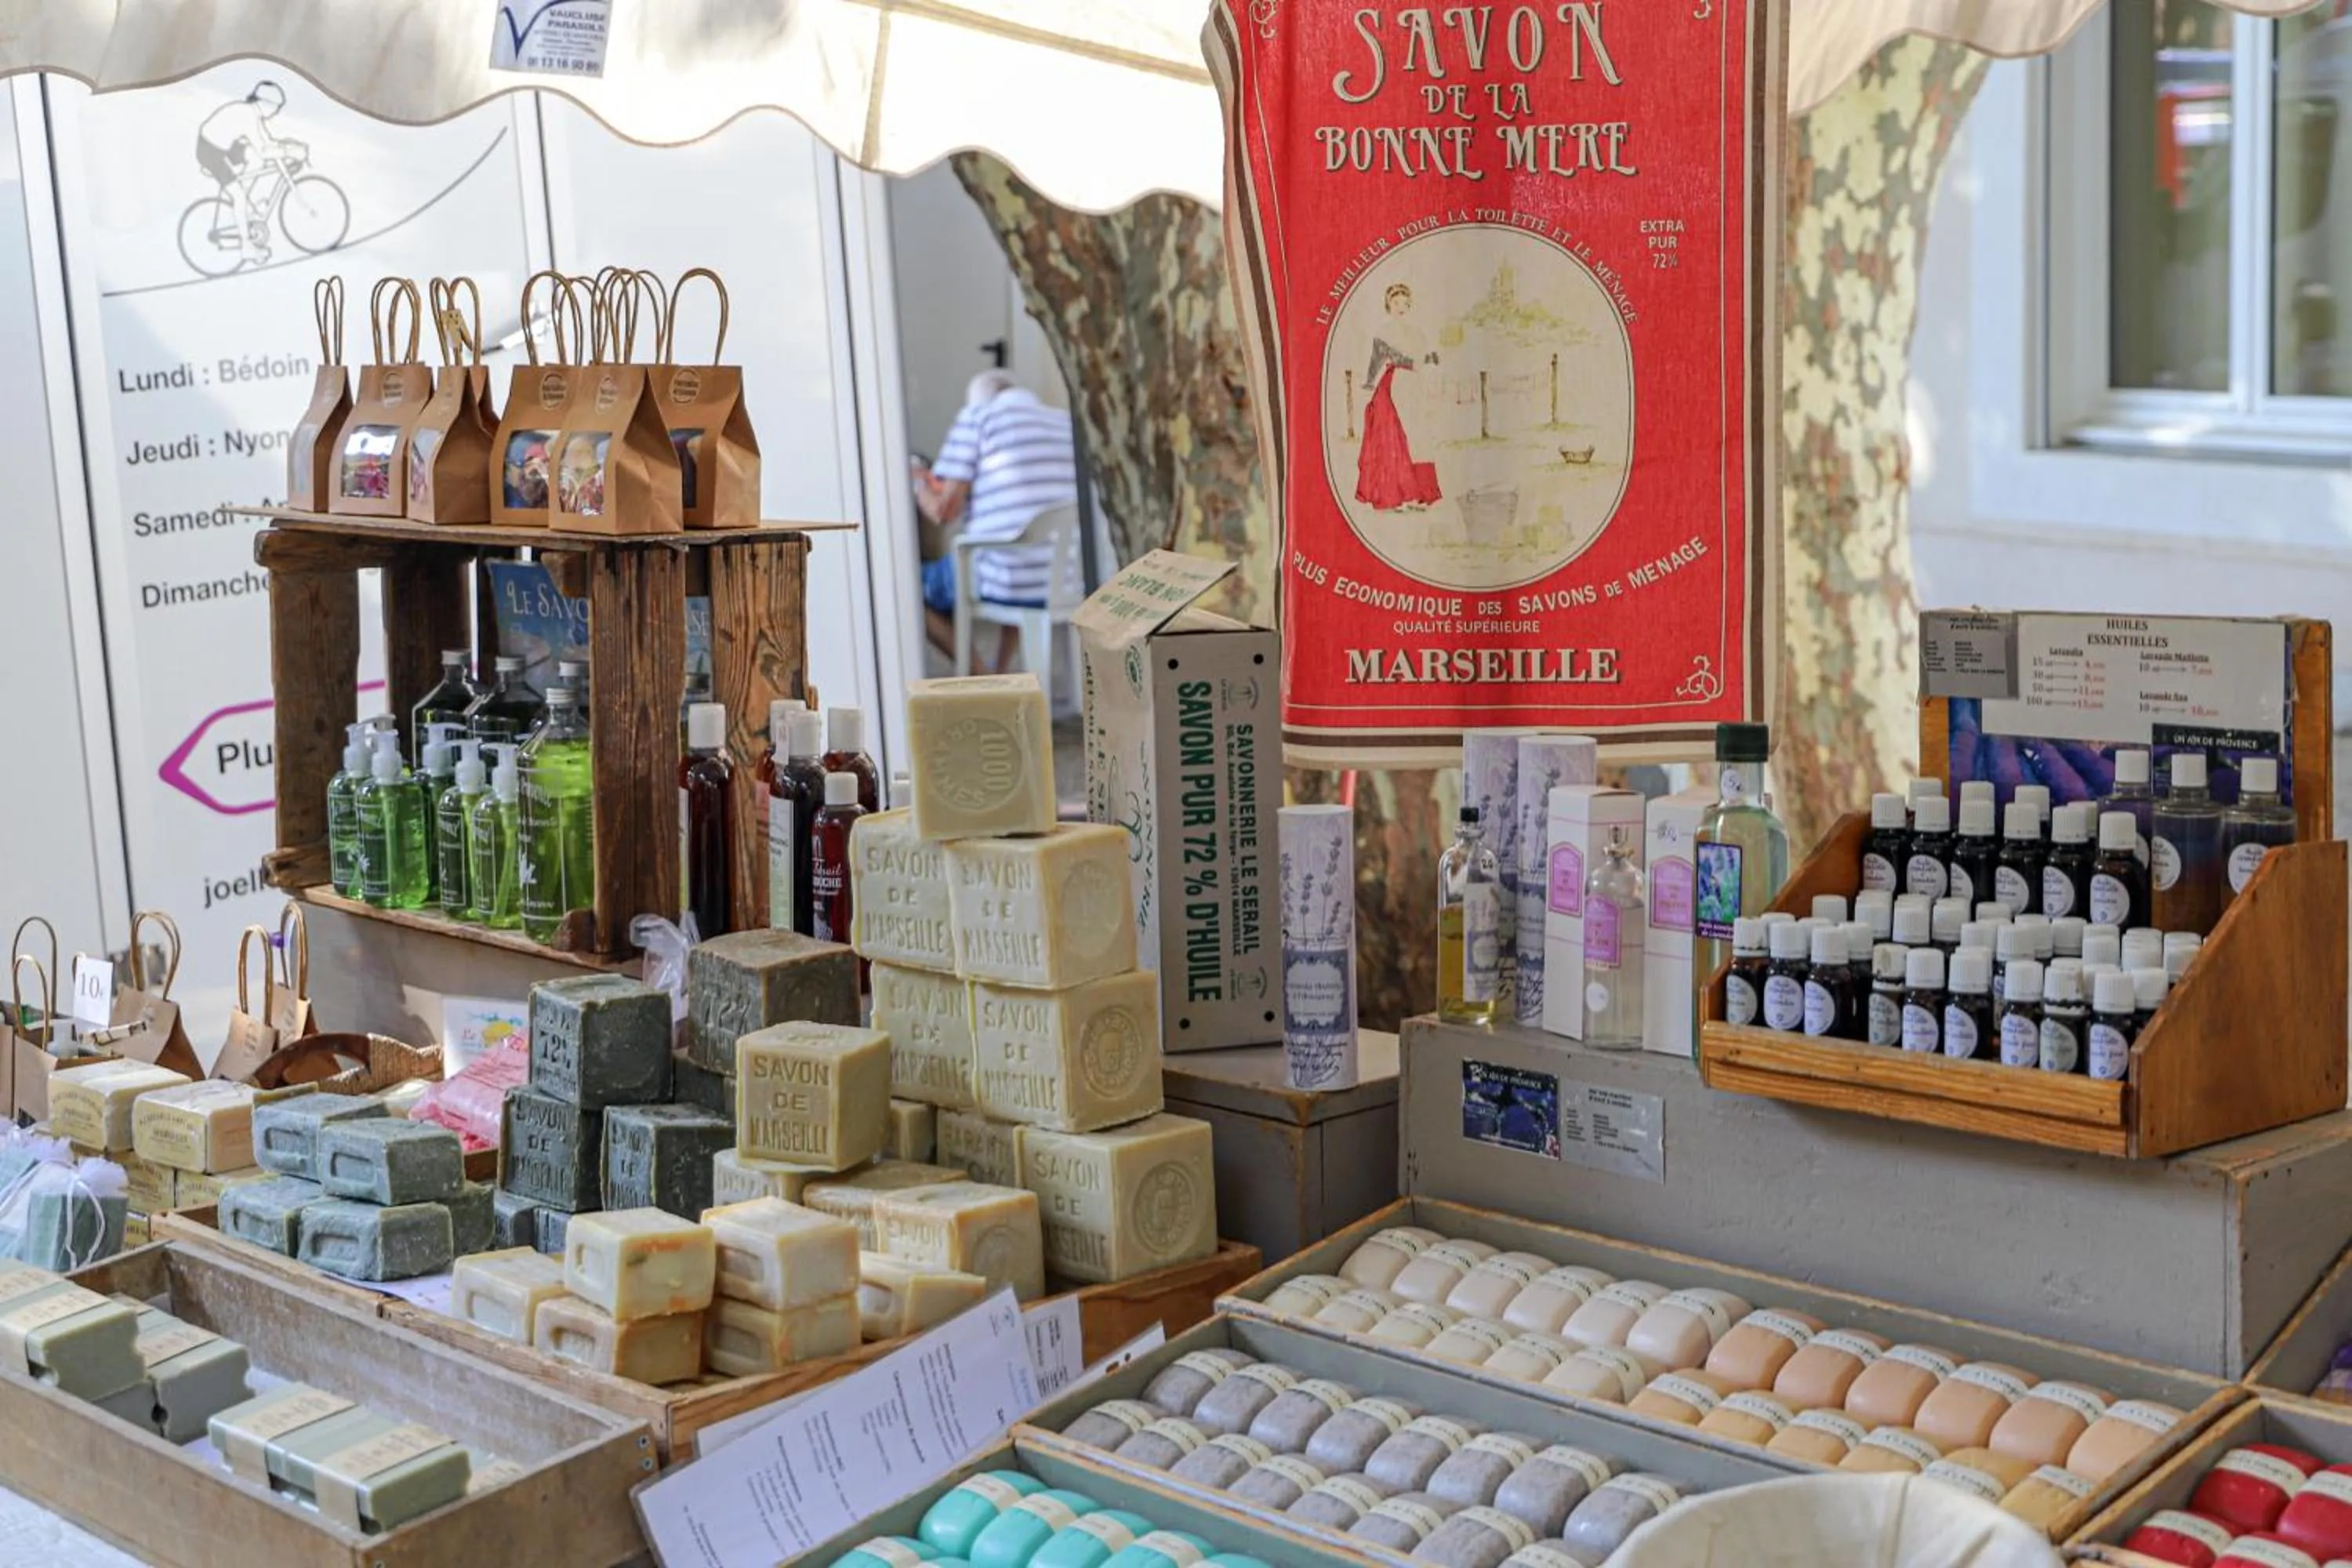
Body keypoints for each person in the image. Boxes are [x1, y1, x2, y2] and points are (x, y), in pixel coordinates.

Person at [913, 370, 1079, 662]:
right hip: (1066, 578)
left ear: (979, 401)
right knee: (1009, 550)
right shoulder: (1065, 422)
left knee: (909, 587)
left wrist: (916, 481)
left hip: (1009, 577)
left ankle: (983, 679)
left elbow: (942, 512)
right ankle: (1001, 672)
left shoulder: (978, 417)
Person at [1356, 282, 1443, 511]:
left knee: (1418, 435)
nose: (1400, 307)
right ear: (1388, 305)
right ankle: (1395, 494)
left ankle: (1419, 493)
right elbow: (1377, 360)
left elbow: (1426, 358)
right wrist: (1369, 382)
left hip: (1414, 384)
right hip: (1394, 384)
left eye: (1404, 303)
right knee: (1393, 435)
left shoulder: (1417, 334)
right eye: (1395, 303)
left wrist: (1431, 362)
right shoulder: (1384, 332)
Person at [196, 80, 296, 245]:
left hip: (218, 146)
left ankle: (245, 209)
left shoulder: (252, 113)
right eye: (276, 108)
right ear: (264, 103)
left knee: (255, 159)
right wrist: (288, 152)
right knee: (239, 197)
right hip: (211, 152)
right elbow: (264, 151)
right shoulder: (248, 117)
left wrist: (286, 147)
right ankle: (247, 247)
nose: (276, 112)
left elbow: (266, 142)